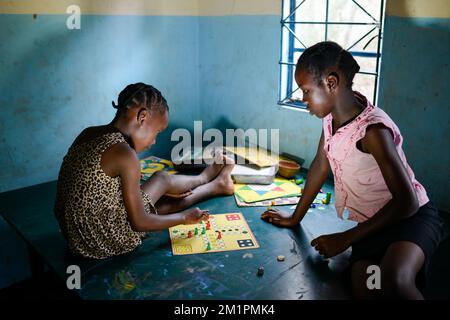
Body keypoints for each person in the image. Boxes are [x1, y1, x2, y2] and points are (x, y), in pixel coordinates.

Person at [261, 42, 443, 299]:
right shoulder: (330, 120)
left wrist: (345, 238)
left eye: (306, 91)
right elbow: (319, 167)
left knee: (394, 280)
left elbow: (407, 202)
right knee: (366, 285)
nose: (304, 100)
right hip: (372, 227)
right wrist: (295, 217)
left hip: (410, 220)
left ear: (331, 83)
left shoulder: (373, 131)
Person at [54, 82, 235, 259]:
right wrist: (184, 218)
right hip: (104, 241)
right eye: (157, 132)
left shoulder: (89, 133)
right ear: (142, 117)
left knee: (155, 195)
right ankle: (210, 180)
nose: (154, 141)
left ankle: (214, 182)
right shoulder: (124, 153)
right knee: (161, 180)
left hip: (76, 238)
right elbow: (140, 222)